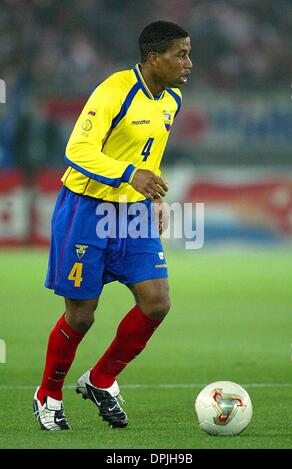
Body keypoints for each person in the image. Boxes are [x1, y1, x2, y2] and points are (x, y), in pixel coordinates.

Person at [33, 20, 192, 430]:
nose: (188, 63)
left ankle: (101, 379)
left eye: (188, 53)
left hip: (133, 212)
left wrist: (151, 195)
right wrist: (129, 174)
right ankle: (48, 393)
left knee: (157, 302)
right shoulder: (113, 91)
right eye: (181, 54)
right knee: (81, 315)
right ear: (154, 58)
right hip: (87, 209)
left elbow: (149, 155)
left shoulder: (171, 99)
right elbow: (77, 150)